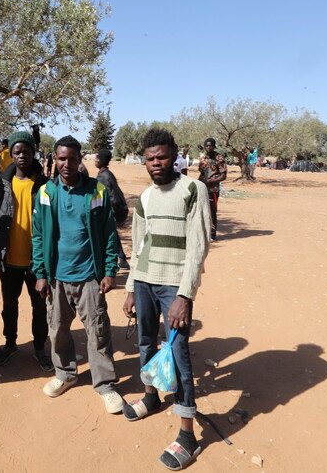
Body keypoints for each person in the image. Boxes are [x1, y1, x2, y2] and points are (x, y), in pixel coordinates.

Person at [122, 127, 211, 470]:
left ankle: (187, 434)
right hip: (144, 282)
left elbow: (198, 245)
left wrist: (185, 295)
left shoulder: (193, 189)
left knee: (178, 355)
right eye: (150, 159)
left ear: (174, 156)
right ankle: (150, 397)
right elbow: (139, 244)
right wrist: (131, 286)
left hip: (174, 287)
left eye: (161, 157)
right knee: (145, 344)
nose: (156, 163)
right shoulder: (144, 197)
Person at [32, 135, 124, 414]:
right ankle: (65, 374)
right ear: (55, 159)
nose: (67, 164)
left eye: (72, 158)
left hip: (89, 276)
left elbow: (109, 232)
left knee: (97, 331)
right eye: (62, 158)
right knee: (57, 329)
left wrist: (109, 270)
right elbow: (38, 236)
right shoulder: (46, 193)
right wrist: (40, 273)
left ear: (79, 158)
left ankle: (105, 385)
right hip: (57, 277)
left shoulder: (96, 191)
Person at [0, 131, 53, 371]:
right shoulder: (2, 184)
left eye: (26, 151)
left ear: (33, 153)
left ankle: (39, 348)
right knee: (9, 306)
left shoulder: (45, 185)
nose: (22, 156)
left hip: (36, 262)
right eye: (17, 152)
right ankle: (10, 343)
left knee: (39, 308)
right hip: (9, 259)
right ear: (11, 154)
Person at [95, 149, 130, 270]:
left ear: (102, 161)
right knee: (112, 235)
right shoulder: (104, 174)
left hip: (109, 211)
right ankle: (122, 260)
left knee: (108, 235)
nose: (95, 160)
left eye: (97, 158)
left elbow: (113, 197)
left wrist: (112, 213)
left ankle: (116, 261)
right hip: (109, 211)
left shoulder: (105, 176)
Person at [198, 138, 226, 240]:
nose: (209, 147)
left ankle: (212, 234)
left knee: (212, 211)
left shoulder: (219, 158)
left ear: (214, 146)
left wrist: (210, 182)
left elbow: (223, 176)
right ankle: (203, 232)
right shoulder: (203, 158)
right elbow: (201, 173)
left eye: (211, 146)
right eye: (207, 146)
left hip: (213, 189)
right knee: (201, 210)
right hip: (202, 188)